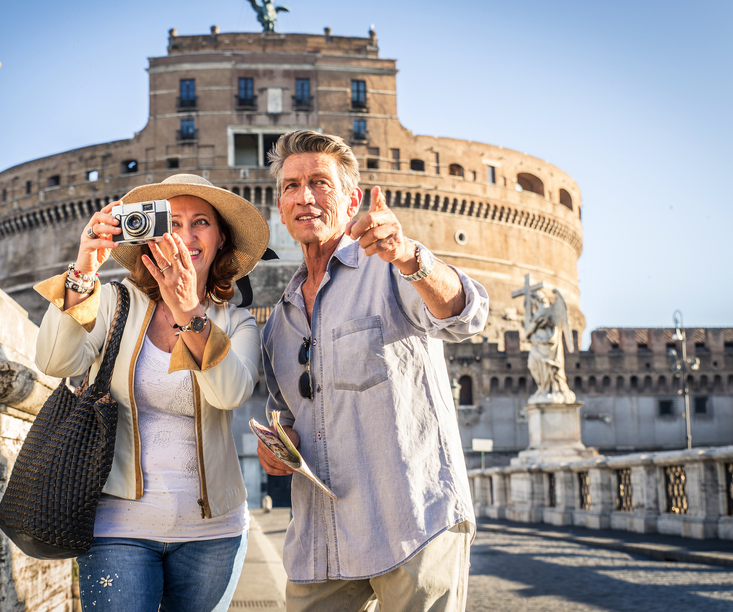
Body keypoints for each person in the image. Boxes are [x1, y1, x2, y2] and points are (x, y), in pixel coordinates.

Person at [256, 131, 489, 612]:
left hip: (412, 521)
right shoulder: (278, 322)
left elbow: (467, 315)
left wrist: (411, 256)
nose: (304, 196)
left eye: (320, 183)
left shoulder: (389, 267)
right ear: (279, 207)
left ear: (351, 199)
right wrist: (278, 448)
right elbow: (285, 420)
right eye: (291, 186)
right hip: (322, 540)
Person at [33, 174, 270, 612]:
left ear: (220, 241)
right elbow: (53, 361)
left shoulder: (237, 323)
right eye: (172, 221)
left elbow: (231, 393)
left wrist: (187, 310)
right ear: (151, 236)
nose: (185, 234)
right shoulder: (113, 302)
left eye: (201, 222)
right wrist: (84, 268)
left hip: (213, 535)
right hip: (117, 527)